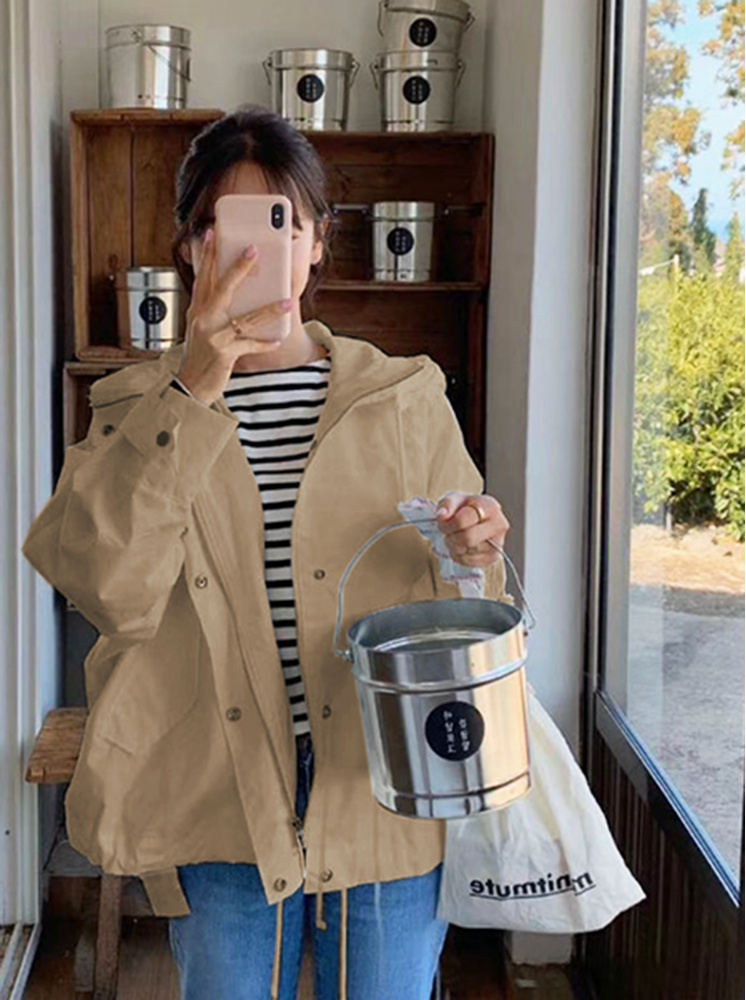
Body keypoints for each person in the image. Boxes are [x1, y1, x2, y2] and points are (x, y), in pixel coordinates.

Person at [21, 104, 513, 1000]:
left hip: (383, 780)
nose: (261, 249)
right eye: (230, 225)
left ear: (318, 242)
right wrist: (192, 391)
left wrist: (469, 551)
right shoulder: (131, 410)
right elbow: (107, 590)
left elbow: (461, 599)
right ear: (191, 248)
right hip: (216, 789)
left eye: (284, 221)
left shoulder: (404, 396)